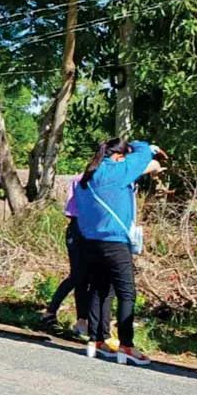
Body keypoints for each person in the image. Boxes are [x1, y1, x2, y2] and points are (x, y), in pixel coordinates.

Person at [74, 139, 166, 365]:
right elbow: (143, 155)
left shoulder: (88, 177)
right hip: (115, 243)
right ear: (119, 156)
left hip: (91, 242)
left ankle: (96, 341)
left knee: (99, 289)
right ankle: (126, 345)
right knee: (127, 293)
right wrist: (146, 146)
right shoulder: (116, 170)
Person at [41, 174, 93, 338]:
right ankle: (51, 311)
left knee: (87, 277)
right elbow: (70, 211)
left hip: (92, 232)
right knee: (78, 276)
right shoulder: (80, 180)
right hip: (79, 231)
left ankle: (82, 321)